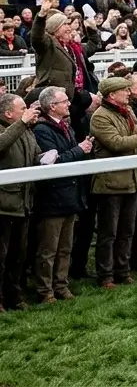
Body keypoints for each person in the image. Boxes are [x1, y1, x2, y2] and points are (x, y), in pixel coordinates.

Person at [88, 76, 137, 289]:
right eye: (125, 90)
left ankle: (123, 270)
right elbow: (116, 143)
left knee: (127, 230)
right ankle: (105, 274)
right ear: (112, 95)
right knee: (108, 232)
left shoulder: (128, 112)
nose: (129, 93)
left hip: (131, 179)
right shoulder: (100, 117)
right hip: (110, 183)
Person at [31, 87, 92, 303]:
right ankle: (45, 290)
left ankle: (61, 285)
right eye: (64, 101)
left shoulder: (65, 126)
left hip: (70, 194)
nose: (68, 104)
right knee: (48, 249)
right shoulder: (42, 130)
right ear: (52, 106)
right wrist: (80, 150)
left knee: (65, 247)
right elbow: (53, 161)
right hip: (52, 197)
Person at [0, 93, 39, 310]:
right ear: (8, 113)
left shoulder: (26, 131)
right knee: (1, 257)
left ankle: (14, 296)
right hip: (4, 204)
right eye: (22, 108)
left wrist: (46, 159)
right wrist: (22, 123)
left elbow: (34, 155)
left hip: (23, 203)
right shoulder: (14, 129)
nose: (28, 111)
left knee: (18, 256)